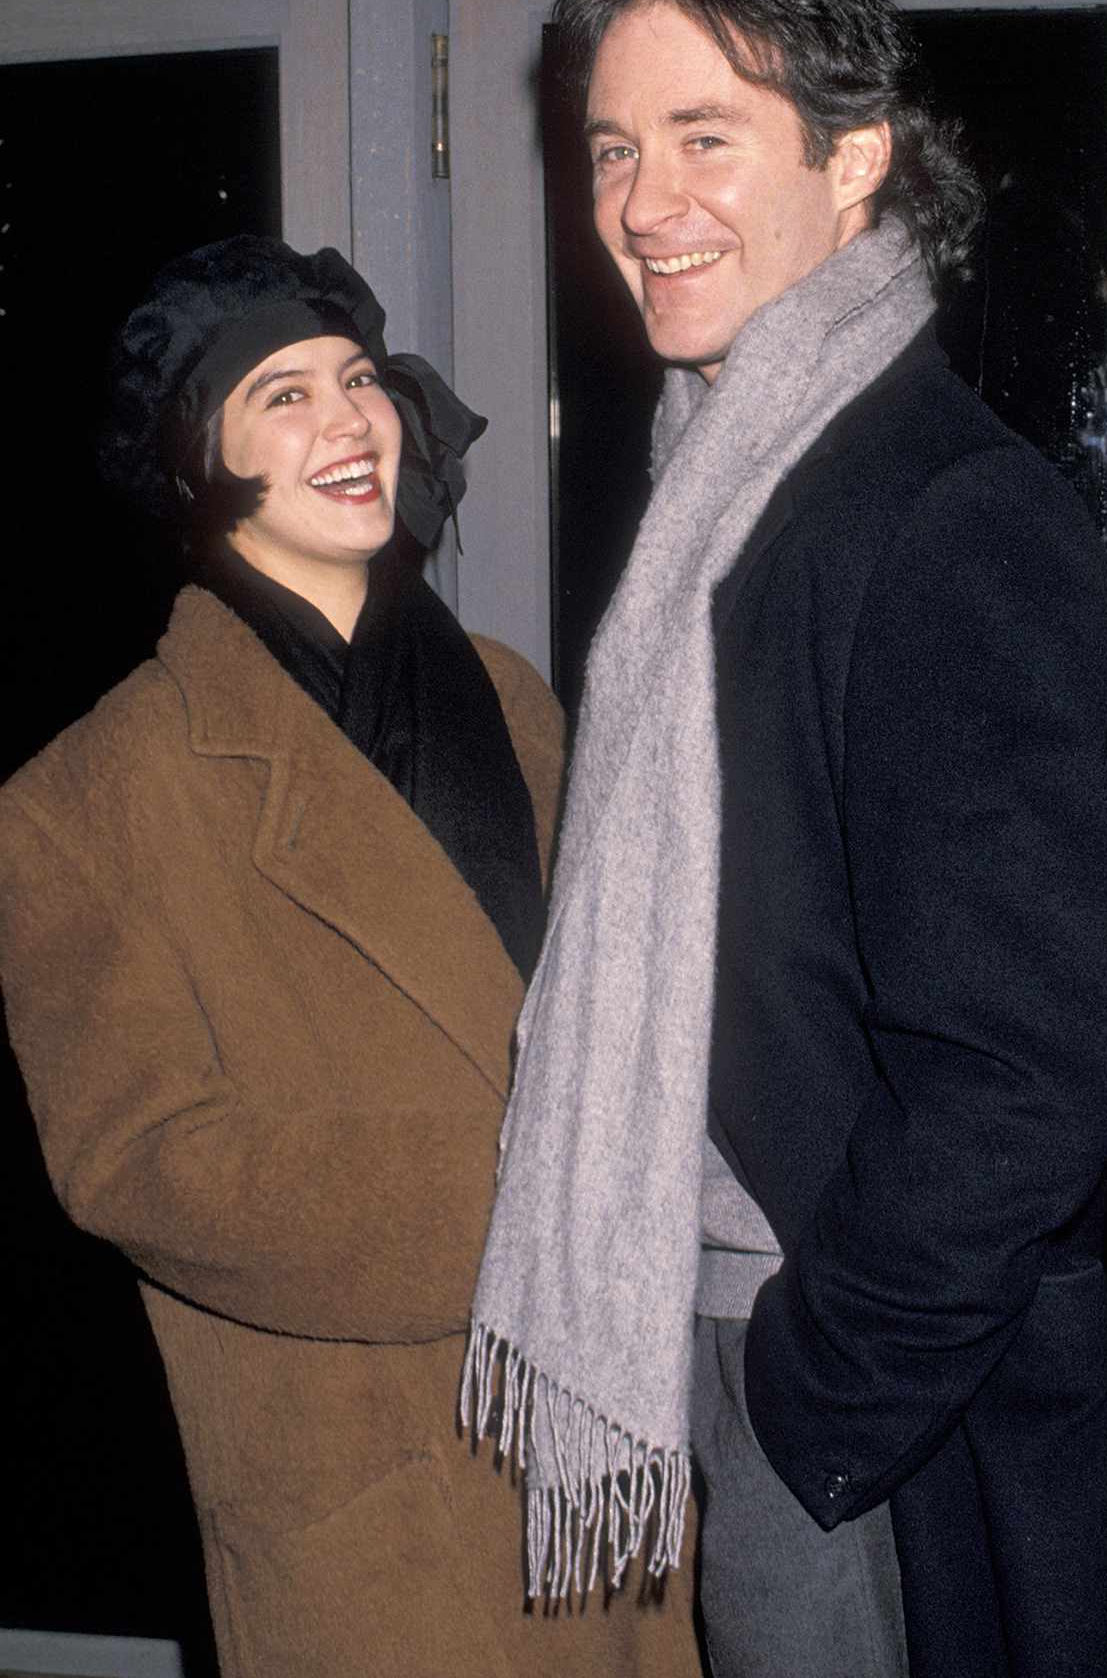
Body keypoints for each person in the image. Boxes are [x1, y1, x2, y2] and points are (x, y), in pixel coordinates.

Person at [464, 0, 1107, 1678]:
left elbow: (1024, 1071)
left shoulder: (939, 515)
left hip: (863, 1393)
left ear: (854, 163)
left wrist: (803, 1392)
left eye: (706, 137)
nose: (640, 201)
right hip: (744, 1318)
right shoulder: (734, 481)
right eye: (615, 147)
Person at [0, 236, 700, 1678]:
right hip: (371, 1499)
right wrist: (527, 1196)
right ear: (198, 458)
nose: (350, 419)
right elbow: (140, 1159)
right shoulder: (85, 800)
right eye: (283, 393)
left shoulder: (506, 694)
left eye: (360, 377)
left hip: (596, 1455)